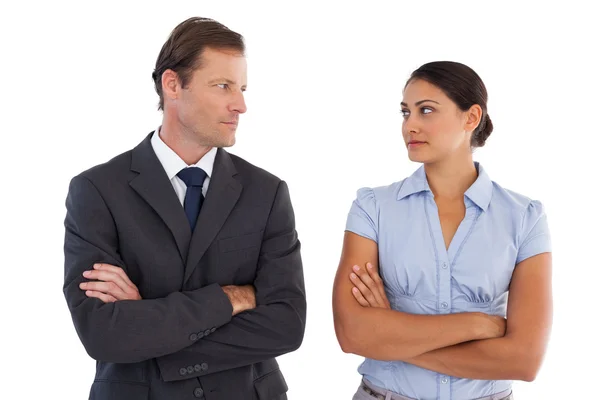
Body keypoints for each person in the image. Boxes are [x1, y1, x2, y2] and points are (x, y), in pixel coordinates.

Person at [62, 17, 306, 400]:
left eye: (241, 88)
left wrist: (147, 320)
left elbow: (286, 325)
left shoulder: (267, 192)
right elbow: (103, 334)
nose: (240, 104)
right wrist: (234, 298)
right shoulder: (96, 190)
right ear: (173, 84)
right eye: (223, 86)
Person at [332, 61, 552, 400]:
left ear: (471, 117)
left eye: (426, 111)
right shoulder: (373, 208)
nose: (410, 126)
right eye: (406, 113)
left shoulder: (524, 218)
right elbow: (351, 333)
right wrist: (477, 324)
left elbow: (523, 360)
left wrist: (390, 335)